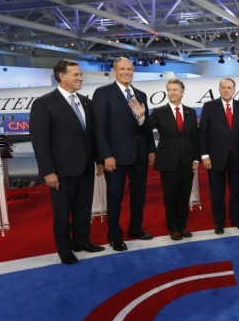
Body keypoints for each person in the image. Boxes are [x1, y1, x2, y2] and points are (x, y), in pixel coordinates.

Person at [29, 59, 105, 264]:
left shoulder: (86, 102)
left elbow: (91, 136)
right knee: (62, 214)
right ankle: (65, 250)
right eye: (76, 75)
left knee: (83, 209)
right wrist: (48, 171)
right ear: (62, 76)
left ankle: (82, 242)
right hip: (61, 171)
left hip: (86, 168)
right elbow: (40, 141)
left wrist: (98, 160)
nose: (81, 78)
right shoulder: (44, 104)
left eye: (81, 74)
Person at [93, 57, 155, 252]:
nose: (127, 72)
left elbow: (146, 127)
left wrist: (150, 148)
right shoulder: (103, 93)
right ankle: (115, 236)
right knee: (114, 197)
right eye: (122, 69)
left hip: (139, 155)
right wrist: (105, 155)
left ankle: (135, 228)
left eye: (130, 69)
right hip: (116, 157)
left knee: (139, 196)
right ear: (115, 71)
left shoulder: (141, 94)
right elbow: (99, 128)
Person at [146, 78, 199, 241]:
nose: (172, 93)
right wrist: (141, 118)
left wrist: (196, 159)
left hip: (187, 160)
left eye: (175, 90)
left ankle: (183, 225)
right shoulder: (159, 112)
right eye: (169, 90)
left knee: (184, 195)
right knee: (170, 196)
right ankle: (173, 227)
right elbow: (146, 128)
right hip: (168, 161)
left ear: (182, 92)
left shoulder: (191, 112)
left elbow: (194, 138)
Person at [199, 78, 239, 234]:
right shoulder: (209, 106)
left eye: (229, 88)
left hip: (237, 157)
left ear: (234, 90)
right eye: (223, 88)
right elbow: (202, 133)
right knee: (217, 192)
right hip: (215, 158)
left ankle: (236, 219)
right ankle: (219, 222)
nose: (226, 90)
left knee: (236, 191)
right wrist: (205, 155)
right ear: (219, 89)